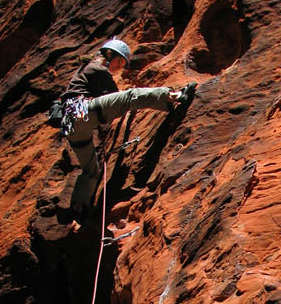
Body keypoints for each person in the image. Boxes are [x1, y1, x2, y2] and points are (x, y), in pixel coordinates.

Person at [61, 38, 195, 219]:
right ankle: (175, 96)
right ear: (109, 54)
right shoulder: (96, 68)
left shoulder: (86, 70)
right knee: (132, 96)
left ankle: (79, 207)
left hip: (72, 126)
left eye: (123, 64)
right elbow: (118, 97)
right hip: (82, 111)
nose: (119, 67)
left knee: (91, 169)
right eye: (119, 61)